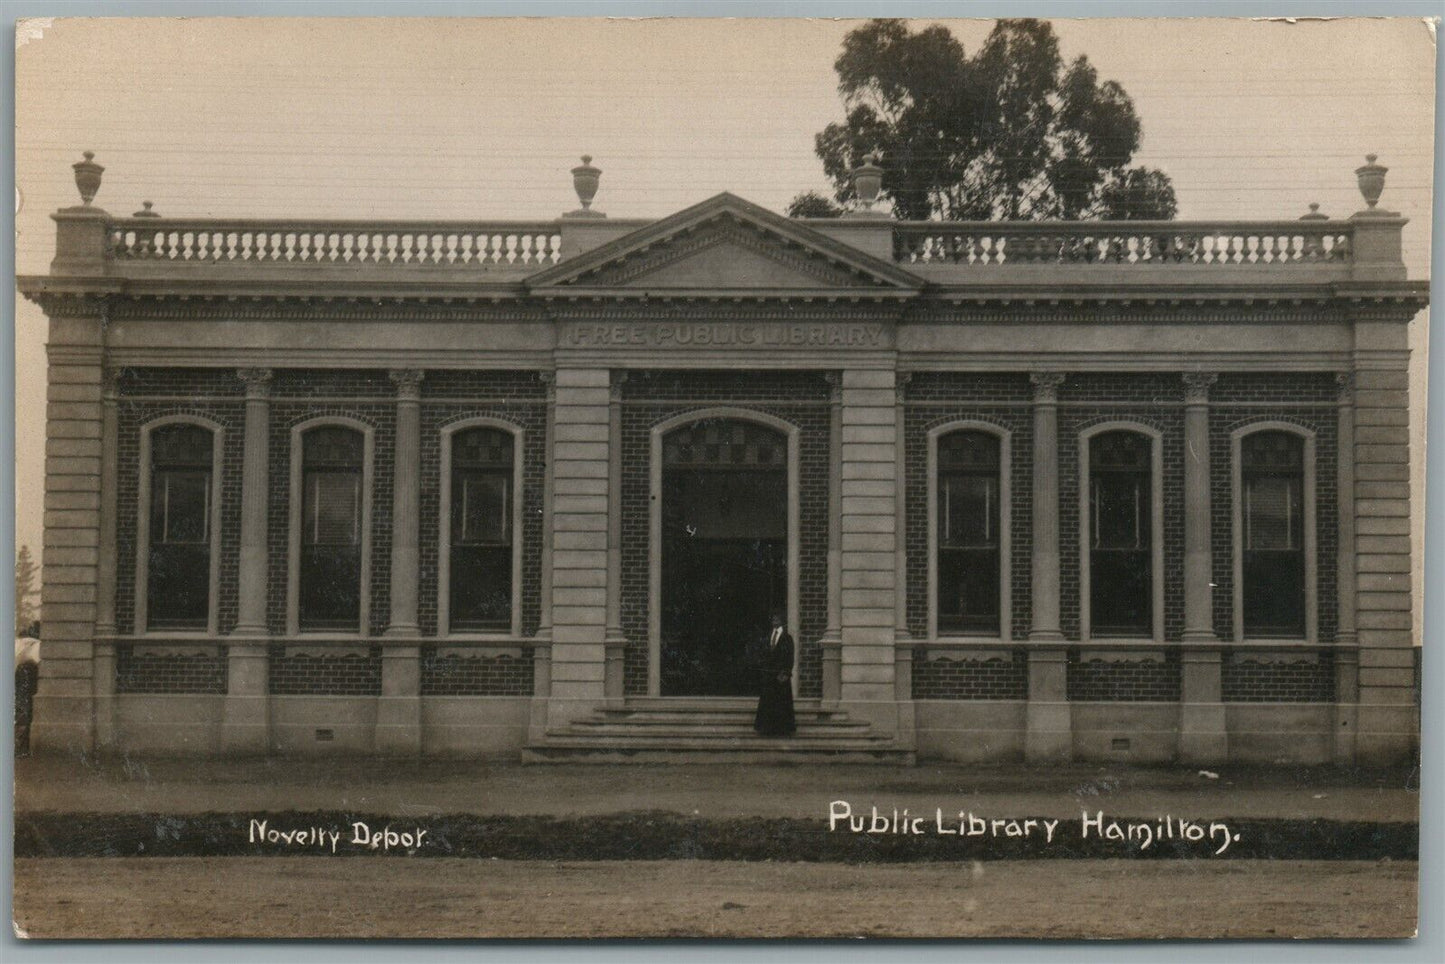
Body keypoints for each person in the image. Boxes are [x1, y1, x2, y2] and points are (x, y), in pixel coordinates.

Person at [753, 612, 796, 737]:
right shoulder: (768, 637)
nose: (775, 621)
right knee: (768, 702)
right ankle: (766, 729)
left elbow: (789, 657)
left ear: (782, 621)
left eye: (777, 619)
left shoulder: (787, 638)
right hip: (769, 675)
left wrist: (786, 672)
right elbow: (764, 653)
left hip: (780, 676)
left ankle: (782, 730)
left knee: (781, 703)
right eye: (773, 619)